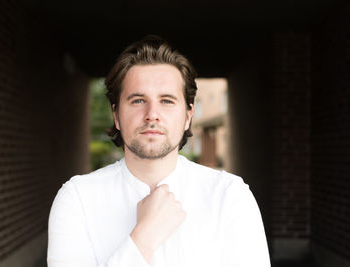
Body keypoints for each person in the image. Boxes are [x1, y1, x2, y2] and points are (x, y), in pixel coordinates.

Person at [47, 35, 271, 267]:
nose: (152, 114)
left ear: (187, 116)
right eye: (137, 100)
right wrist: (143, 238)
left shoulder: (230, 196)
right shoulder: (77, 199)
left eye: (166, 101)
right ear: (116, 115)